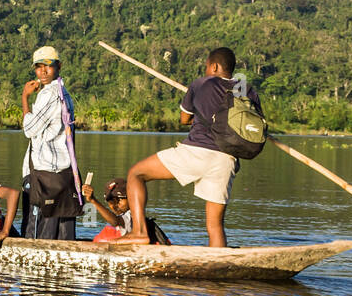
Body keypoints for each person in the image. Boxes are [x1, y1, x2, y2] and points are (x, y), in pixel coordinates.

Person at [109, 47, 260, 247]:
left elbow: (184, 118)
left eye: (207, 66)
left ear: (213, 66)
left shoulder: (201, 84)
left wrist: (200, 113)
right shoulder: (247, 90)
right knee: (215, 225)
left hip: (197, 152)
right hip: (227, 160)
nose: (206, 70)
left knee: (136, 174)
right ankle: (218, 265)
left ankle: (139, 232)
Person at [21, 46, 82, 240]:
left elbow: (29, 130)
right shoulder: (65, 93)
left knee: (37, 233)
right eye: (38, 67)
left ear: (58, 66)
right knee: (62, 234)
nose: (43, 72)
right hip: (63, 174)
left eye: (48, 66)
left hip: (44, 173)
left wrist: (24, 97)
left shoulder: (49, 94)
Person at [84, 178, 171, 245]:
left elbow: (115, 221)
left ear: (131, 198)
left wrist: (93, 200)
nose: (115, 205)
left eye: (119, 200)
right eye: (111, 202)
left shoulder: (132, 215)